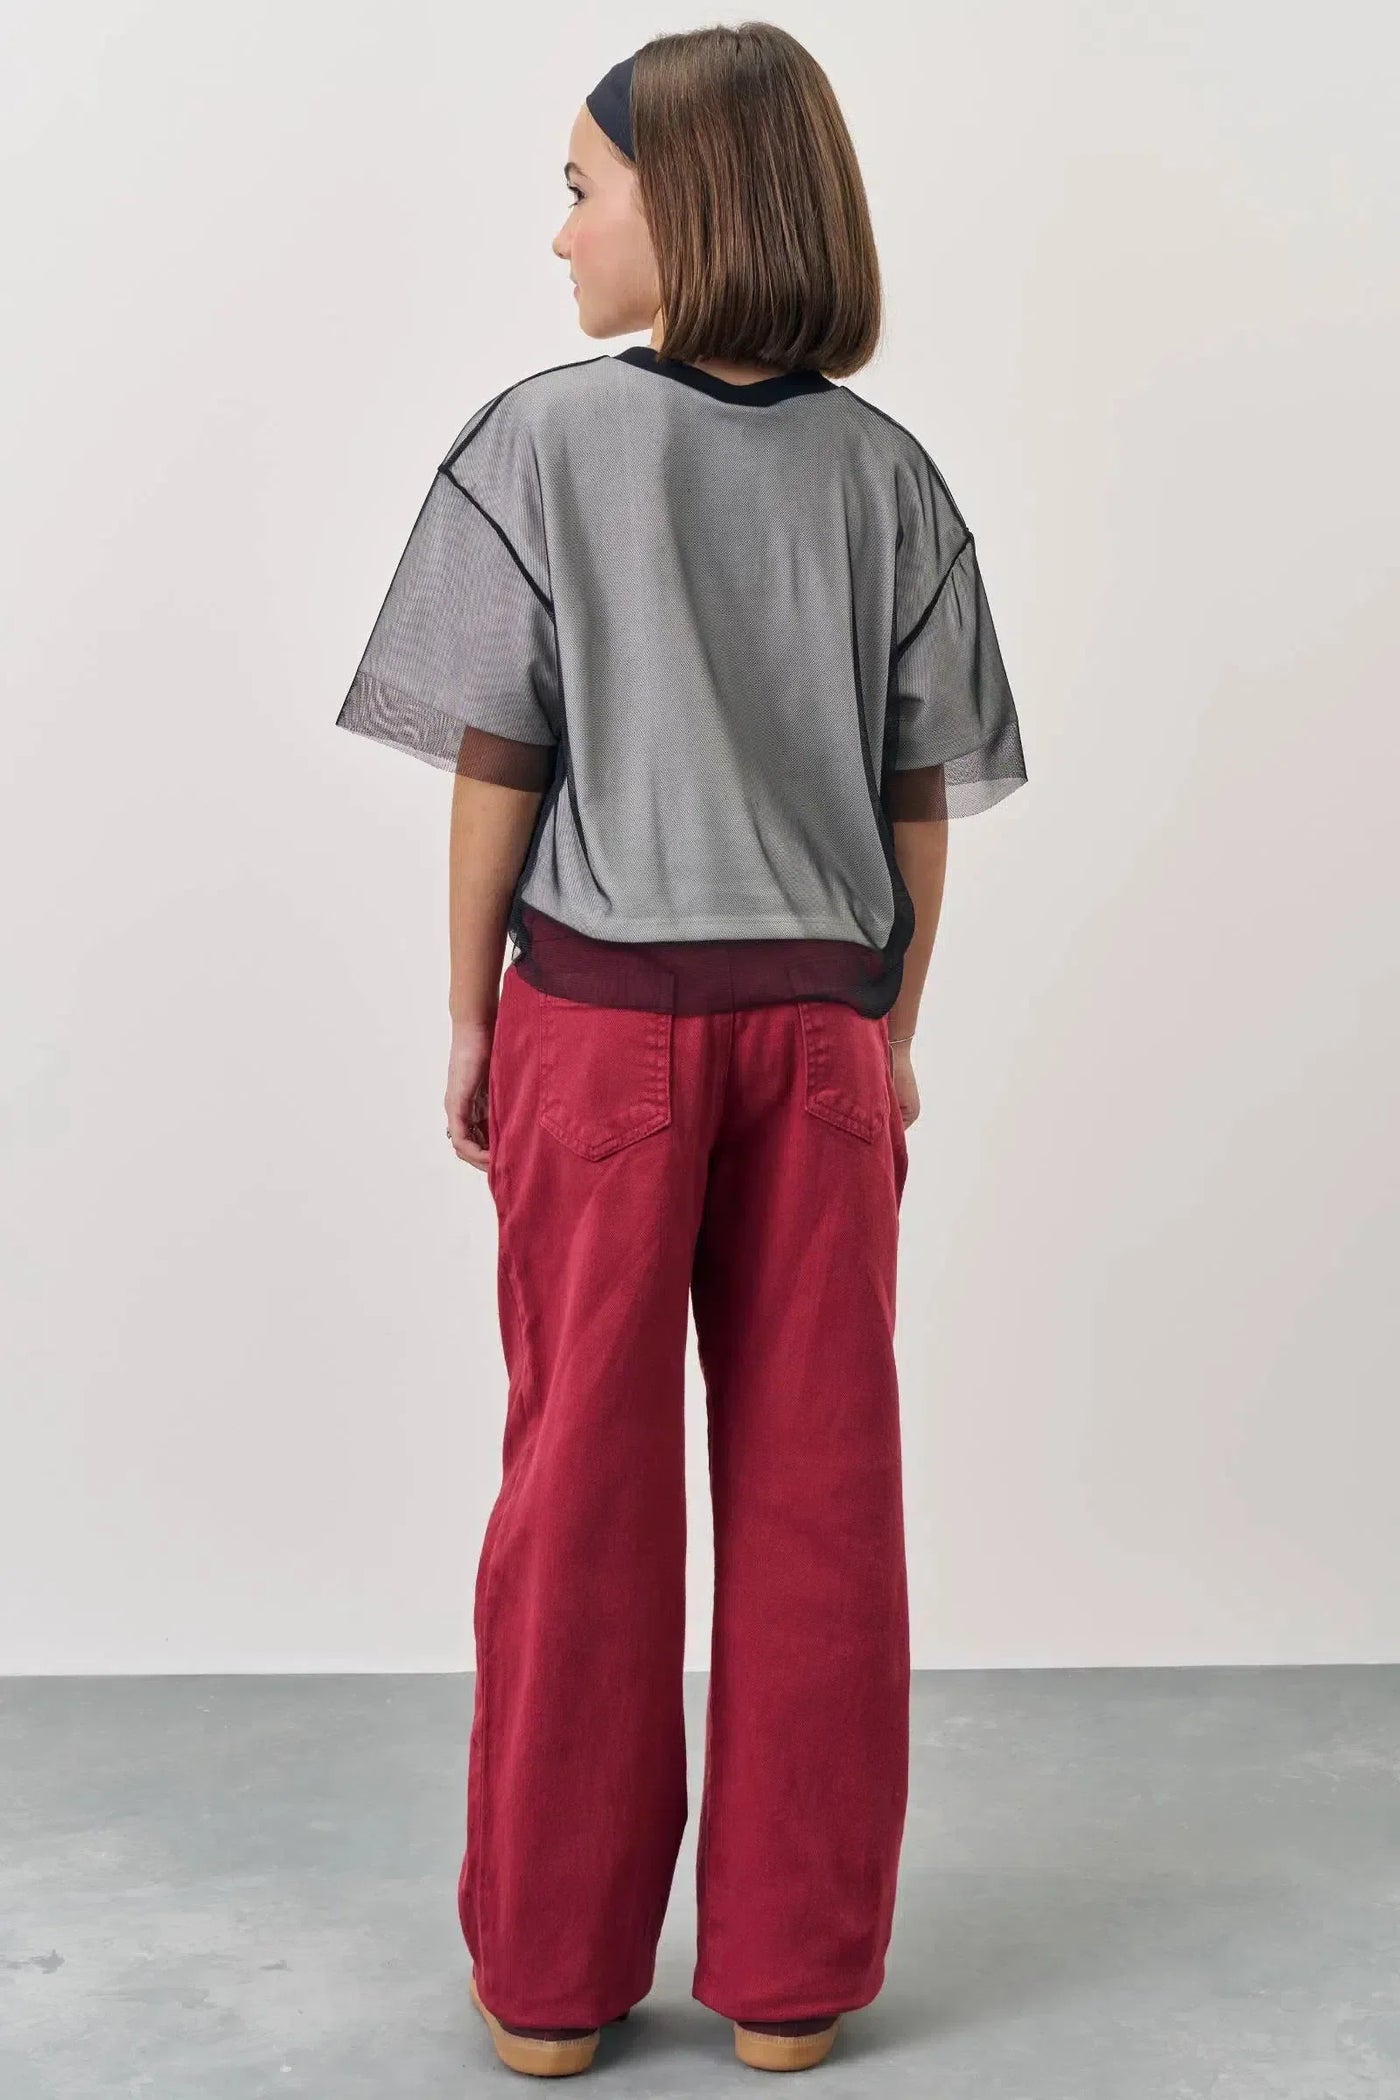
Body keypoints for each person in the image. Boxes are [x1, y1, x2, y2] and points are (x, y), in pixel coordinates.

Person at [335, 21, 1027, 2078]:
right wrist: (890, 1031)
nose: (559, 236)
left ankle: (553, 1982)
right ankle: (790, 1982)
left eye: (581, 190)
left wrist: (469, 1014)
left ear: (690, 204)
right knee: (823, 1497)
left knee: (581, 1494)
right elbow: (919, 798)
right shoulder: (889, 475)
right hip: (817, 1034)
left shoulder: (543, 444)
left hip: (602, 1026)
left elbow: (501, 760)